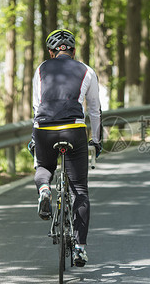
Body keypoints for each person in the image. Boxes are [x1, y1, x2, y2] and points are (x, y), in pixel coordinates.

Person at [31, 29, 102, 267]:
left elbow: (36, 104)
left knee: (43, 166)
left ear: (51, 52)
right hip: (73, 129)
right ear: (73, 51)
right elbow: (95, 110)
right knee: (79, 189)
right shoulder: (87, 71)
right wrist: (98, 140)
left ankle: (44, 190)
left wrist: (35, 136)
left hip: (44, 128)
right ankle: (80, 249)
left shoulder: (41, 69)